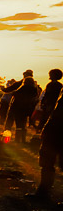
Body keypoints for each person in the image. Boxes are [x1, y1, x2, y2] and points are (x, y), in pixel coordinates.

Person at [28, 69, 63, 202]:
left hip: (56, 130)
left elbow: (55, 110)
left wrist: (47, 127)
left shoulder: (54, 86)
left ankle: (43, 192)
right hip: (54, 128)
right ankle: (43, 192)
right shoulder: (60, 87)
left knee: (47, 161)